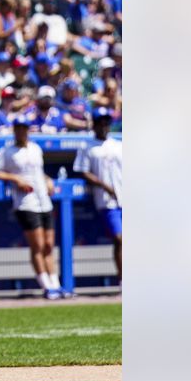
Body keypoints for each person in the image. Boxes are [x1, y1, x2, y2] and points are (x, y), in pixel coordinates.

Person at [0, 116, 64, 300]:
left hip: (43, 200)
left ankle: (56, 284)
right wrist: (15, 179)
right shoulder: (7, 151)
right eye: (18, 128)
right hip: (26, 202)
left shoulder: (36, 148)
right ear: (14, 130)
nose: (21, 131)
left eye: (24, 127)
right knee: (37, 245)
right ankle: (46, 286)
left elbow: (39, 171)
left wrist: (48, 180)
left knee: (48, 244)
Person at [73, 107, 123, 283]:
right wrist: (104, 186)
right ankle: (123, 280)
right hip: (107, 200)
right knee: (119, 239)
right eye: (100, 122)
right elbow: (82, 171)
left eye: (106, 122)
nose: (104, 125)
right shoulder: (87, 147)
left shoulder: (119, 145)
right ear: (94, 125)